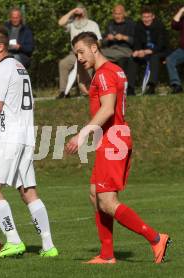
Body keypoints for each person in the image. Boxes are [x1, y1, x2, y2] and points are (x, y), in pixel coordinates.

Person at [66, 31, 170, 264]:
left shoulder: (104, 74)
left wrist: (82, 134)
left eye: (82, 52)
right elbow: (86, 88)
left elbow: (108, 108)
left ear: (95, 48)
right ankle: (107, 255)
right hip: (113, 139)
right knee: (95, 195)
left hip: (113, 140)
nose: (79, 57)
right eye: (76, 54)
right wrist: (80, 63)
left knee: (107, 201)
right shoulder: (111, 71)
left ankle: (155, 238)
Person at [0, 26, 58, 259]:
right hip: (26, 136)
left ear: (0, 47)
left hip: (7, 135)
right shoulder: (20, 67)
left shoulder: (1, 68)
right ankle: (48, 245)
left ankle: (13, 240)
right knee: (28, 191)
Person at [57, 4, 102, 98]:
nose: (79, 15)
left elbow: (99, 42)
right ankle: (64, 92)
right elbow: (60, 23)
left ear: (85, 12)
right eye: (76, 13)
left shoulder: (92, 24)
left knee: (87, 64)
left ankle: (86, 91)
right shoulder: (72, 24)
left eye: (80, 12)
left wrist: (89, 50)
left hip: (89, 54)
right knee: (63, 63)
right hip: (74, 54)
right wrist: (73, 11)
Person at [127, 6, 168, 96]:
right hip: (144, 52)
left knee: (154, 57)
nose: (146, 19)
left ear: (153, 16)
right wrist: (137, 51)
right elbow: (136, 41)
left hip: (158, 52)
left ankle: (151, 86)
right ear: (141, 17)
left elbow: (162, 44)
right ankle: (130, 87)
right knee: (132, 58)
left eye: (148, 17)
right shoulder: (138, 25)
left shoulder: (159, 25)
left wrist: (148, 51)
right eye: (144, 17)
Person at [165, 6, 184, 94]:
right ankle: (176, 85)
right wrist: (181, 10)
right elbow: (174, 24)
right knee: (170, 59)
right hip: (182, 50)